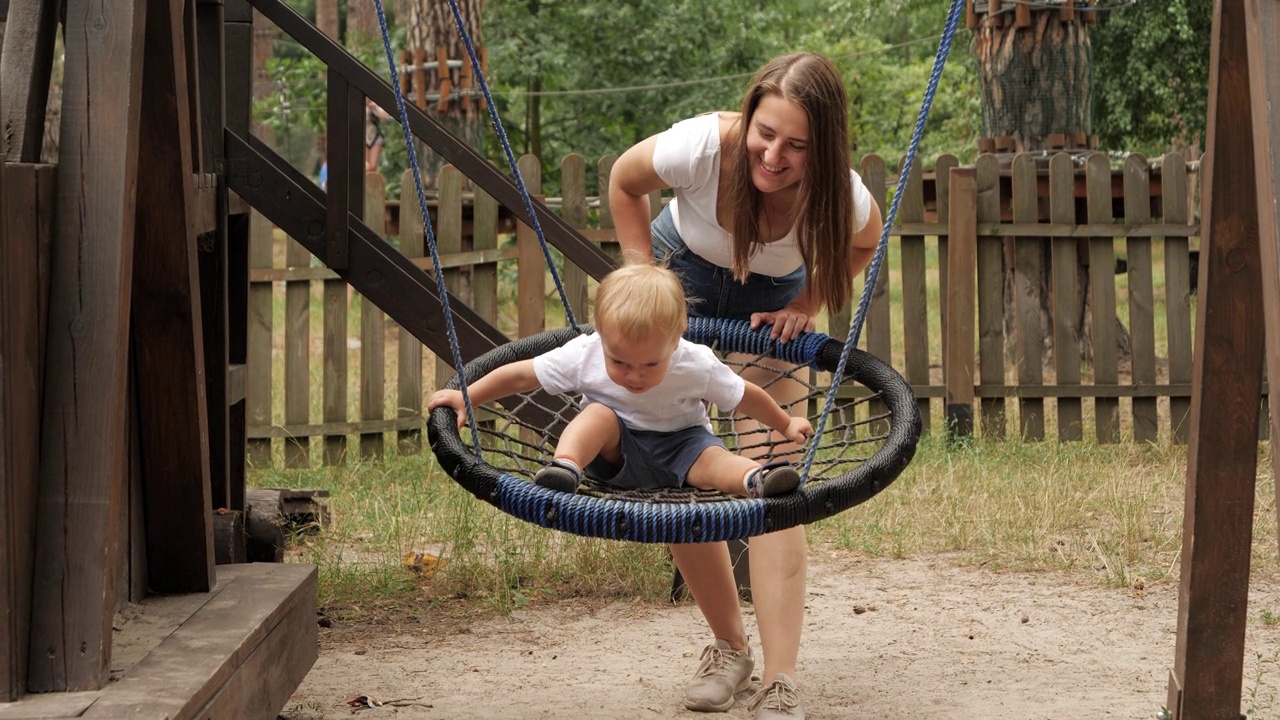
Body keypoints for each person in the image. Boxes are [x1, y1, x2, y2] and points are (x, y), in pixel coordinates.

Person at [607, 52, 884, 719]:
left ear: (824, 147)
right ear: (748, 115)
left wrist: (808, 305)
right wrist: (646, 283)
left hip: (772, 305)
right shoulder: (702, 146)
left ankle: (780, 678)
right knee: (680, 471)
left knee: (774, 478)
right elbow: (623, 180)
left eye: (796, 146)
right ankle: (730, 649)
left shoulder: (839, 193)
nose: (774, 156)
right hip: (683, 278)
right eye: (766, 134)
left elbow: (865, 243)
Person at [427, 263, 813, 499]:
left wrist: (785, 423)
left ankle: (754, 479)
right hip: (613, 452)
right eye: (620, 362)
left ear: (677, 337)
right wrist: (468, 396)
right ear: (601, 334)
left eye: (649, 364)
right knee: (598, 415)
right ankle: (565, 468)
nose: (634, 376)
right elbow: (522, 373)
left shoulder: (695, 362)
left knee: (715, 460)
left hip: (683, 446)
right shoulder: (588, 351)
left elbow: (746, 395)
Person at [365, 98, 392, 172]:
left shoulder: (374, 105)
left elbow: (385, 117)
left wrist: (374, 107)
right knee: (366, 165)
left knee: (373, 167)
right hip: (364, 137)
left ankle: (371, 182)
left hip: (375, 136)